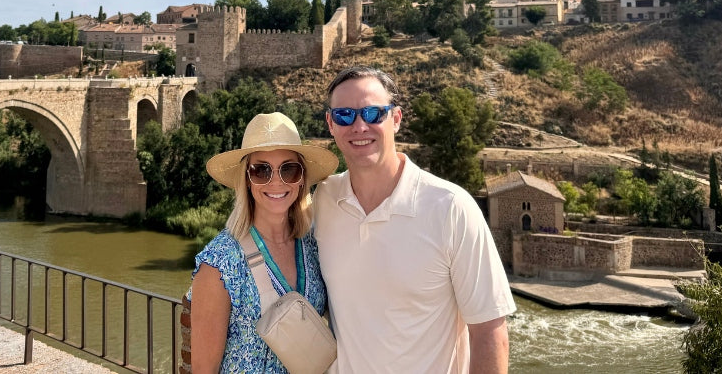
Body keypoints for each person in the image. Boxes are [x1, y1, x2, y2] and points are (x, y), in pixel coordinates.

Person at [314, 66, 515, 373]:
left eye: (372, 114)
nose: (359, 126)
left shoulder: (450, 208)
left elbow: (490, 332)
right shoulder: (324, 200)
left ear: (395, 119)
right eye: (344, 115)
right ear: (331, 123)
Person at [190, 111, 339, 373]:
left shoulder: (313, 245)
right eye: (261, 171)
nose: (276, 182)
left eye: (289, 169)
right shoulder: (219, 264)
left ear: (302, 177)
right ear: (247, 179)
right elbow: (203, 369)